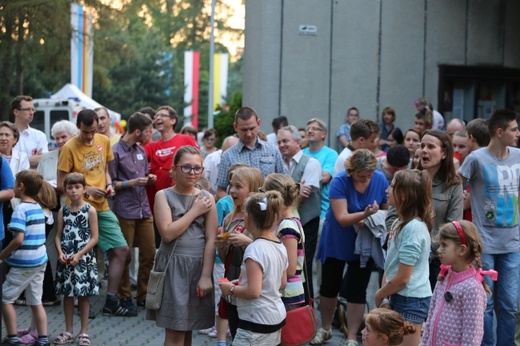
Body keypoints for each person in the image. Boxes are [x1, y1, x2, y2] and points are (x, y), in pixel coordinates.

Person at [57, 109, 133, 317]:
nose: (90, 136)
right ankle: (82, 305)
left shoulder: (103, 140)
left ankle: (110, 299)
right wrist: (87, 190)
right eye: (85, 132)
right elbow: (61, 183)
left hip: (102, 206)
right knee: (80, 256)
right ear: (78, 126)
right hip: (77, 208)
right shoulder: (69, 148)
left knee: (121, 249)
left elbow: (105, 170)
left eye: (92, 131)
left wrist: (109, 186)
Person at [312, 149, 388, 346]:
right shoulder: (339, 181)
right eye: (361, 176)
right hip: (338, 236)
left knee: (357, 289)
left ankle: (352, 335)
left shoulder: (380, 179)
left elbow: (387, 210)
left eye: (368, 176)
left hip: (364, 240)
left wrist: (374, 217)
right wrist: (365, 215)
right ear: (351, 172)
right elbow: (342, 218)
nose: (365, 180)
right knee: (329, 286)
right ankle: (326, 328)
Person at [458, 109, 520, 346]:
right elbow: (457, 186)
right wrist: (459, 227)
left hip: (512, 244)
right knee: (484, 304)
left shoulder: (518, 156)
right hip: (484, 244)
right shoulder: (476, 159)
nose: (518, 133)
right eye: (514, 129)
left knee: (509, 306)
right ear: (500, 132)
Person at [146, 146, 217, 346]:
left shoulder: (207, 198)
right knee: (175, 332)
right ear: (174, 169)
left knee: (187, 332)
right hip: (173, 267)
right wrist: (195, 211)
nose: (192, 173)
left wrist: (205, 275)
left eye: (197, 168)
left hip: (197, 268)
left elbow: (211, 238)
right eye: (186, 167)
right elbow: (167, 234)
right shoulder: (163, 195)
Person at [219, 191, 288, 346]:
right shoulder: (279, 244)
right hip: (276, 317)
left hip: (256, 320)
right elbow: (282, 283)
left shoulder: (254, 249)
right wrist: (243, 282)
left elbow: (253, 292)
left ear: (248, 218)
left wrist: (230, 289)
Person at [375, 169, 434, 346]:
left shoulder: (413, 228)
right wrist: (385, 298)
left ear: (404, 195)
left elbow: (403, 278)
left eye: (392, 186)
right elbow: (390, 265)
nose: (387, 190)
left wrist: (380, 295)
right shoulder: (400, 222)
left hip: (411, 300)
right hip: (398, 295)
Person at [108, 112, 156, 310]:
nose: (150, 135)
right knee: (124, 255)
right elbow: (110, 185)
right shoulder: (115, 152)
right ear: (137, 132)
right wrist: (131, 183)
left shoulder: (141, 151)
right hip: (125, 209)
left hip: (144, 209)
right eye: (147, 131)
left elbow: (143, 175)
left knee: (149, 253)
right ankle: (124, 295)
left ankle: (143, 295)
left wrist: (149, 178)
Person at [420, 220, 493, 346]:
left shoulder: (472, 288)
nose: (439, 250)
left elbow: (472, 336)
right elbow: (431, 318)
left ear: (462, 250)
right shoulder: (443, 276)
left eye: (444, 245)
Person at [0, 170, 50, 346]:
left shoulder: (20, 209)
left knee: (5, 298)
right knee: (36, 300)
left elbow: (19, 239)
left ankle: (12, 336)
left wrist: (2, 255)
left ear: (20, 186)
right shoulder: (37, 207)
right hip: (40, 260)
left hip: (24, 263)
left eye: (15, 183)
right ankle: (43, 338)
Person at [215, 166, 263, 339]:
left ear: (253, 189)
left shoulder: (262, 220)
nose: (232, 191)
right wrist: (221, 246)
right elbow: (224, 258)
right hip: (233, 286)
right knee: (236, 334)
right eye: (231, 186)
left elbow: (270, 251)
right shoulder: (229, 218)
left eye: (238, 186)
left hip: (253, 291)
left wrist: (248, 242)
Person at [53, 173, 99, 346]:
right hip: (66, 258)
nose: (73, 191)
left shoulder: (90, 210)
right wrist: (59, 252)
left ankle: (84, 331)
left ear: (84, 189)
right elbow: (57, 236)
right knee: (68, 295)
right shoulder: (63, 211)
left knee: (83, 295)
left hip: (83, 258)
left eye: (77, 187)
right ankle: (69, 330)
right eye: (70, 187)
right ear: (65, 190)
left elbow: (94, 238)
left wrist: (79, 255)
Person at [277, 125, 321, 300]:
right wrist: (296, 188)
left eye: (286, 140)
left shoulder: (311, 162)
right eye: (279, 142)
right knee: (286, 264)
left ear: (297, 142)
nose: (282, 145)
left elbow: (304, 194)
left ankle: (305, 307)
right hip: (285, 222)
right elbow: (296, 192)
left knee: (304, 266)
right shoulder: (279, 163)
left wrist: (289, 191)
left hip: (307, 222)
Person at [419, 129, 463, 290]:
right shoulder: (411, 178)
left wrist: (429, 245)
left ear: (444, 153)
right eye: (422, 145)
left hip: (437, 258)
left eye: (430, 147)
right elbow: (393, 214)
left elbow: (454, 224)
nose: (424, 150)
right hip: (409, 255)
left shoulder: (453, 184)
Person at [216, 107, 285, 200]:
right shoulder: (228, 156)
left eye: (252, 128)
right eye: (244, 130)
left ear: (258, 123)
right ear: (235, 127)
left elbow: (283, 183)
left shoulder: (273, 150)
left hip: (269, 209)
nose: (249, 133)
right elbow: (221, 190)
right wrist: (233, 205)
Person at [143, 105, 197, 218]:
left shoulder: (186, 139)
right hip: (158, 202)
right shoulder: (151, 146)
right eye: (156, 116)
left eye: (163, 115)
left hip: (183, 199)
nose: (158, 118)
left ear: (173, 120)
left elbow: (198, 166)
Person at [263, 173, 305, 309]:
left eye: (262, 192)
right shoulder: (288, 221)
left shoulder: (287, 226)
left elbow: (290, 269)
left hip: (287, 294)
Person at [37, 120, 78, 206]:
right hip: (48, 204)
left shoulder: (79, 156)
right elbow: (37, 181)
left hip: (73, 204)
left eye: (63, 137)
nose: (60, 141)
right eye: (57, 138)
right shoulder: (46, 158)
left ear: (73, 137)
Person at [303, 118, 338, 219]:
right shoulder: (301, 153)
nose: (309, 131)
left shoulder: (331, 154)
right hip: (303, 210)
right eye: (308, 129)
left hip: (323, 211)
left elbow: (325, 177)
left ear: (323, 134)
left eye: (314, 129)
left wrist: (303, 180)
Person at [11, 95, 48, 168]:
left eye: (33, 109)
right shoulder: (5, 136)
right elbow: (5, 161)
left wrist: (16, 161)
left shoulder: (39, 136)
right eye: (27, 109)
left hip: (33, 179)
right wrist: (31, 159)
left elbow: (44, 160)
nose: (31, 112)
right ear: (16, 112)